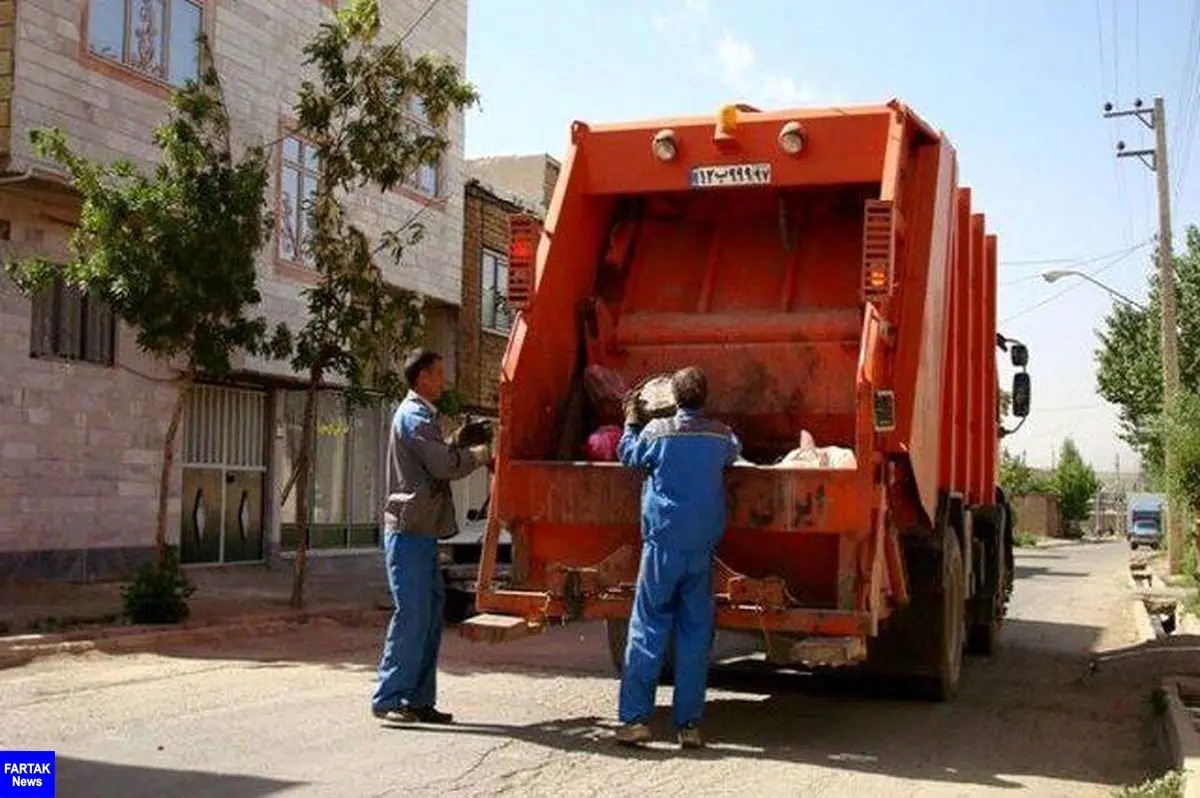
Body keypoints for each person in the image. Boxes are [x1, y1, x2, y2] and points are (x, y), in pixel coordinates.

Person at [614, 366, 741, 749]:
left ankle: (636, 720)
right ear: (704, 398)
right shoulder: (720, 436)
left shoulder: (657, 432)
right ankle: (689, 726)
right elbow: (734, 450)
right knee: (695, 634)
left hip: (663, 546)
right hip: (701, 548)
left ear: (673, 398)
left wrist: (631, 423)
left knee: (648, 628)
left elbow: (629, 456)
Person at [372, 348, 492, 724]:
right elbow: (441, 465)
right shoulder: (414, 415)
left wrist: (456, 441)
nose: (443, 380)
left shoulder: (423, 416)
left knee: (428, 615)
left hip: (423, 532)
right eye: (438, 373)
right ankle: (389, 697)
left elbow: (437, 456)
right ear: (422, 377)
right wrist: (478, 453)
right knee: (412, 616)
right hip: (409, 532)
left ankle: (419, 700)